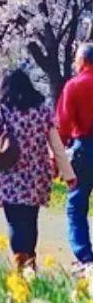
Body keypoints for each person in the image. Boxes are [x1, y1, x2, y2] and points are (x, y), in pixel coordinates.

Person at [0, 69, 75, 271]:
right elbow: (56, 145)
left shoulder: (2, 109)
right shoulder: (42, 109)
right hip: (36, 174)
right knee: (31, 220)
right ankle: (30, 262)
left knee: (14, 222)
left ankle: (19, 265)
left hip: (10, 173)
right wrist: (68, 174)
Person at [56, 42, 93, 267]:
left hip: (85, 149)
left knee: (77, 204)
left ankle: (85, 257)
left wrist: (56, 159)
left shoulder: (74, 86)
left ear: (82, 62)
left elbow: (62, 126)